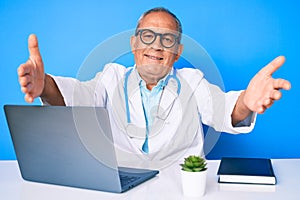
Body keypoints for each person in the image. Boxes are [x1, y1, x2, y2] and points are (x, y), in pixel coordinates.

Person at [17, 7, 291, 168]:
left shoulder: (192, 82)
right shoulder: (111, 77)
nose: (157, 46)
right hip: (121, 189)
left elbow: (225, 110)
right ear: (134, 45)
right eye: (148, 37)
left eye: (168, 40)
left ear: (178, 52)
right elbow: (78, 96)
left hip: (183, 188)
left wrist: (246, 100)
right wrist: (45, 87)